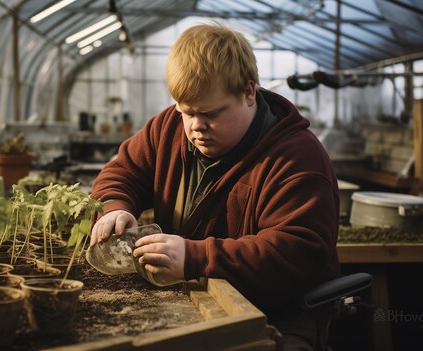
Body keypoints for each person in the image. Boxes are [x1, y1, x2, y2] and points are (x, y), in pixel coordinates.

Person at [89, 23, 340, 351]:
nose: (195, 126)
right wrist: (115, 207)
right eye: (186, 112)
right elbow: (123, 172)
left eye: (210, 113)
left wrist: (195, 257)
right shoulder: (168, 128)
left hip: (279, 311)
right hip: (194, 293)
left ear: (248, 93)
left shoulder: (297, 159)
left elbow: (297, 252)